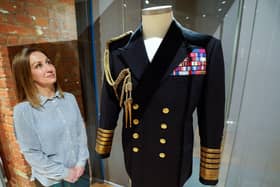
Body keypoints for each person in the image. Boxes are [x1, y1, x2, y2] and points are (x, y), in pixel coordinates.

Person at [95, 5, 225, 187]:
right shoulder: (118, 50)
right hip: (136, 155)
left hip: (175, 157)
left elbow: (212, 112)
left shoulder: (202, 48)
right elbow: (110, 99)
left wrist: (209, 168)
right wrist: (104, 142)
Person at [12, 47, 89, 187]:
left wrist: (81, 163)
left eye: (48, 62)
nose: (49, 68)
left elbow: (80, 133)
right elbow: (32, 153)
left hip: (80, 173)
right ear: (27, 75)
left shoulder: (70, 99)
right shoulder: (23, 110)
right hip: (52, 182)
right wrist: (65, 173)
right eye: (38, 66)